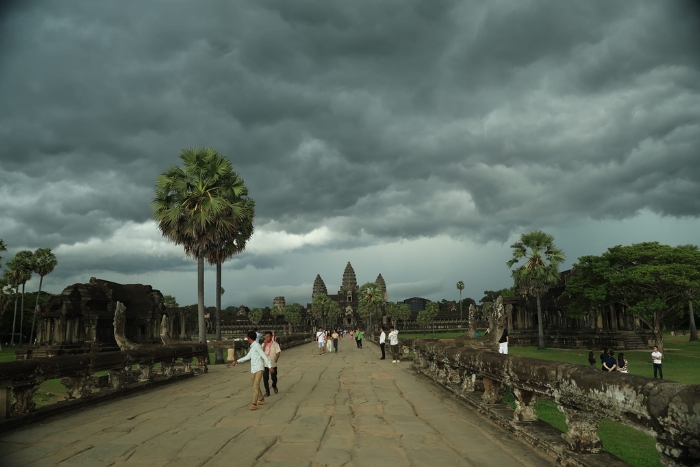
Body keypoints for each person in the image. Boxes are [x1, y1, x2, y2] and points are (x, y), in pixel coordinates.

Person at [231, 330, 274, 410]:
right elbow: (248, 357)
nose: (246, 338)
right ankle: (261, 398)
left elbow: (264, 356)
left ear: (249, 338)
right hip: (253, 369)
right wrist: (237, 361)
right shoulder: (253, 346)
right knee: (255, 385)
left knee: (256, 385)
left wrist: (270, 366)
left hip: (259, 368)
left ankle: (254, 403)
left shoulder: (257, 345)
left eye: (247, 337)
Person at [262, 331, 281, 396]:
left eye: (268, 336)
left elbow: (278, 352)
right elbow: (261, 352)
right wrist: (264, 345)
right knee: (265, 378)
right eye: (266, 337)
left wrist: (277, 358)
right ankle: (267, 391)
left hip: (273, 363)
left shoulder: (275, 344)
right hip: (265, 364)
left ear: (271, 336)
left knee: (274, 377)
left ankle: (274, 385)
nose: (267, 338)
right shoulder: (263, 344)